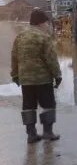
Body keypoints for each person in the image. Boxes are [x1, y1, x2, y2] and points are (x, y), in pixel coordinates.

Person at [10, 8, 62, 143]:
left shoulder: (20, 37)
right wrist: (57, 75)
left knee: (28, 106)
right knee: (48, 104)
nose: (47, 26)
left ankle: (31, 135)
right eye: (46, 23)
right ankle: (47, 132)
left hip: (26, 80)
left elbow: (14, 57)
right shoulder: (44, 37)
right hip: (42, 79)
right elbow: (51, 59)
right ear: (40, 23)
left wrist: (15, 74)